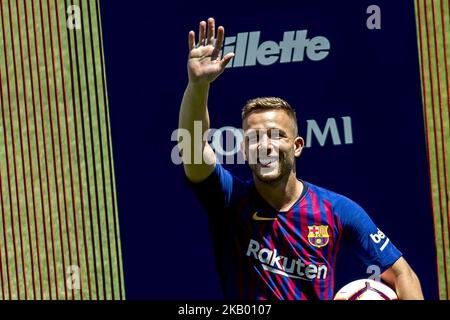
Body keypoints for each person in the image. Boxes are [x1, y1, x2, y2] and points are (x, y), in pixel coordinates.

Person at [178, 17, 424, 300]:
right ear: (244, 150)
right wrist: (198, 86)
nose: (265, 145)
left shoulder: (338, 210)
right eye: (254, 138)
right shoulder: (229, 198)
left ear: (297, 146)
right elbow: (193, 145)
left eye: (276, 135)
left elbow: (403, 274)